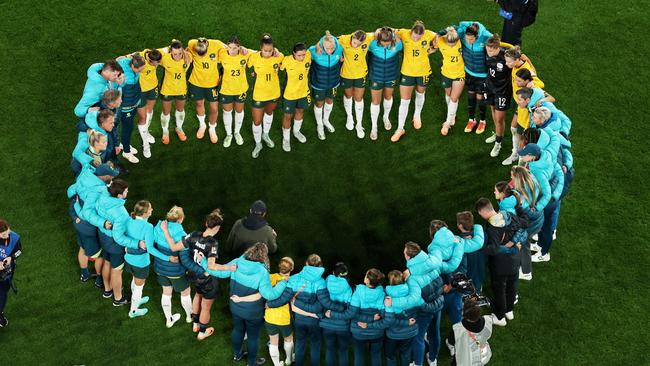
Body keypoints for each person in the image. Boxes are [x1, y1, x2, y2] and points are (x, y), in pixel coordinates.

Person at [209, 243, 288, 366]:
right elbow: (269, 295)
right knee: (253, 337)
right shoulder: (262, 271)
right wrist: (282, 283)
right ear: (263, 256)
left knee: (238, 330)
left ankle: (237, 355)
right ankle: (251, 363)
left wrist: (203, 262)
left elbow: (220, 272)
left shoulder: (237, 262)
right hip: (253, 312)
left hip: (235, 308)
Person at [179, 209, 236, 340]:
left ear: (206, 223)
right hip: (206, 279)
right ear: (217, 228)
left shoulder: (194, 235)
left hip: (194, 274)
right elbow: (212, 266)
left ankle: (195, 324)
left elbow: (182, 248)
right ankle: (202, 331)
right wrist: (229, 267)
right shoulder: (213, 243)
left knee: (197, 295)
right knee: (205, 306)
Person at [266, 254, 327, 366]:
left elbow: (284, 299)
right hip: (315, 321)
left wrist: (270, 304)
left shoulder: (293, 279)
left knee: (299, 343)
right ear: (320, 266)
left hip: (299, 320)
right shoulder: (322, 282)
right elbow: (320, 306)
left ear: (306, 264)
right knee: (315, 345)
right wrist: (313, 312)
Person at [94, 179, 144, 306]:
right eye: (125, 190)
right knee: (117, 271)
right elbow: (119, 238)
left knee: (107, 262)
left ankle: (107, 290)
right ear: (119, 195)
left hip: (103, 236)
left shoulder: (103, 197)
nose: (127, 191)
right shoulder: (120, 213)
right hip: (114, 244)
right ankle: (118, 298)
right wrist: (136, 243)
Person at [475, 198, 524, 326]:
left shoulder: (492, 228)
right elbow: (523, 226)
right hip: (515, 260)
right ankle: (509, 311)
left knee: (500, 289)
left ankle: (500, 317)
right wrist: (514, 244)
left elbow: (494, 249)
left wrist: (480, 247)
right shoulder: (508, 215)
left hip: (501, 264)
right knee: (512, 286)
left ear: (483, 212)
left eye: (480, 214)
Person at [67, 164, 117, 288]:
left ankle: (84, 274)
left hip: (80, 224)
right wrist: (103, 223)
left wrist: (75, 215)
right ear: (104, 176)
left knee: (83, 248)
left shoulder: (84, 176)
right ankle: (100, 280)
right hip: (89, 226)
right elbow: (89, 213)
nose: (112, 178)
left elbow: (71, 192)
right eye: (111, 175)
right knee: (99, 255)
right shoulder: (97, 191)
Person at [325, 268, 386, 366]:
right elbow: (383, 315)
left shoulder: (357, 293)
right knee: (376, 355)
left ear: (367, 280)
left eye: (366, 275)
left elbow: (350, 314)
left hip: (359, 332)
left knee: (359, 355)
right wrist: (371, 319)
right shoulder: (382, 294)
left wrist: (332, 314)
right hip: (376, 332)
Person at [390, 21, 435, 142]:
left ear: (423, 34)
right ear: (411, 31)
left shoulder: (429, 34)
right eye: (414, 36)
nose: (416, 39)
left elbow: (439, 38)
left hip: (424, 72)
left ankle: (417, 115)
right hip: (407, 72)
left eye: (419, 37)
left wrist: (434, 48)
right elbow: (393, 30)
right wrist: (395, 36)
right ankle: (400, 128)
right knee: (404, 101)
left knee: (420, 94)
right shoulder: (404, 33)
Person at [518, 143, 564, 263]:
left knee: (547, 227)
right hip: (553, 198)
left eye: (524, 155)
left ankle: (544, 253)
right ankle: (540, 244)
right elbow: (559, 172)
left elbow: (547, 193)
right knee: (545, 226)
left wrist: (537, 207)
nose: (521, 157)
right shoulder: (546, 155)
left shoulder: (538, 171)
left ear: (531, 156)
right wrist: (557, 193)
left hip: (548, 202)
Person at [121, 200, 167, 318]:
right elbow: (150, 249)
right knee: (139, 287)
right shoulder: (148, 227)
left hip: (128, 259)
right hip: (141, 263)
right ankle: (134, 311)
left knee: (135, 280)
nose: (152, 210)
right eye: (150, 209)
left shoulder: (129, 220)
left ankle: (136, 299)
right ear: (145, 213)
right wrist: (167, 257)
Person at [427, 220, 464, 365]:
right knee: (455, 322)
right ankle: (444, 348)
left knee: (438, 325)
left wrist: (448, 286)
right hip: (448, 292)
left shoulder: (433, 250)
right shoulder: (458, 244)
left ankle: (437, 353)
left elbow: (431, 274)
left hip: (445, 293)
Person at [402, 241, 443, 366]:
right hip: (438, 306)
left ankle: (418, 363)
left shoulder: (411, 278)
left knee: (418, 338)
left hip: (424, 311)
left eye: (404, 253)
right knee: (435, 332)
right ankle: (432, 359)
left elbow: (415, 300)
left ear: (409, 256)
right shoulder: (433, 264)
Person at [502, 46, 544, 165]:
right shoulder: (517, 64)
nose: (506, 64)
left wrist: (532, 83)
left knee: (524, 137)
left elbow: (540, 82)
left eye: (508, 61)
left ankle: (522, 163)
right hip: (519, 103)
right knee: (513, 128)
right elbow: (512, 48)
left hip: (526, 107)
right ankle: (515, 153)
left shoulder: (525, 70)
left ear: (516, 60)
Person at [370, 270, 421, 366]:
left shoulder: (386, 298)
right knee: (405, 354)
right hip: (409, 332)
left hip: (393, 334)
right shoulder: (413, 294)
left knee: (390, 356)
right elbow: (419, 309)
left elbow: (388, 319)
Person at [152, 206, 191, 328]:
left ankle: (169, 319)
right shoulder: (182, 235)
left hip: (160, 269)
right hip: (176, 272)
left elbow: (152, 245)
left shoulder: (158, 227)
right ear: (181, 219)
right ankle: (190, 316)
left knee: (166, 292)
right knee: (185, 292)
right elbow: (185, 257)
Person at [248, 33, 284, 158]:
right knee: (257, 120)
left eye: (270, 50)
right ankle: (258, 144)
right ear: (260, 49)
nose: (268, 53)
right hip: (259, 94)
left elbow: (285, 62)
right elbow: (246, 57)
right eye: (265, 50)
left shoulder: (279, 57)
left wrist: (277, 53)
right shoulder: (254, 57)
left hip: (274, 93)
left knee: (269, 113)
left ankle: (266, 135)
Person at [456, 22, 493, 135]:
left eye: (471, 39)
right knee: (471, 96)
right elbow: (455, 28)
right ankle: (471, 119)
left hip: (482, 75)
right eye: (467, 38)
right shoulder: (463, 33)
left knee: (480, 97)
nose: (468, 41)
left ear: (476, 37)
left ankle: (482, 121)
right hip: (469, 72)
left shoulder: (486, 36)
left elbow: (496, 44)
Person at [367, 27, 403, 140]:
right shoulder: (372, 44)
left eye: (387, 43)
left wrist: (394, 32)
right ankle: (374, 127)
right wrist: (375, 32)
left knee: (388, 97)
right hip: (375, 77)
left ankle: (385, 117)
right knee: (375, 102)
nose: (385, 46)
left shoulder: (398, 45)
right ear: (378, 39)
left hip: (390, 76)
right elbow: (361, 37)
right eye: (383, 43)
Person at [187, 37, 225, 143]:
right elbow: (186, 49)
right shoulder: (191, 43)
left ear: (207, 47)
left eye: (202, 53)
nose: (200, 54)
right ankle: (202, 125)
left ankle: (212, 128)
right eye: (198, 53)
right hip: (196, 82)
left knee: (214, 108)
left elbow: (229, 48)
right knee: (199, 104)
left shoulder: (216, 44)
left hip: (212, 83)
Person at [339, 30, 375, 137]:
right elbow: (329, 41)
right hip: (346, 74)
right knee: (348, 96)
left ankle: (359, 124)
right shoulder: (343, 39)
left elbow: (379, 32)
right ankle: (350, 117)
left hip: (360, 74)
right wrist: (338, 55)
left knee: (358, 98)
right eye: (354, 43)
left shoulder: (368, 38)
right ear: (352, 37)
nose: (356, 46)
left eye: (359, 45)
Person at [309, 31, 344, 140]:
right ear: (322, 45)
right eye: (327, 48)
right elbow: (299, 55)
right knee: (319, 104)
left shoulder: (340, 48)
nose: (329, 51)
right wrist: (317, 46)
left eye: (331, 48)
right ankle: (320, 125)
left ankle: (326, 120)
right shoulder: (313, 51)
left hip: (333, 82)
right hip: (319, 84)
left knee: (329, 101)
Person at [318, 262, 353, 366]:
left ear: (333, 272)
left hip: (327, 324)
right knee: (343, 351)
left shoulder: (327, 281)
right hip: (343, 325)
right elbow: (350, 308)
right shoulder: (350, 287)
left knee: (330, 349)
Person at [219, 36, 251, 148]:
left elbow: (259, 53)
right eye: (230, 47)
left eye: (234, 48)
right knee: (227, 112)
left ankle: (237, 132)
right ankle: (229, 135)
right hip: (226, 89)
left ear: (239, 47)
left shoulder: (245, 53)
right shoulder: (222, 53)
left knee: (239, 111)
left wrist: (275, 50)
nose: (231, 50)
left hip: (241, 89)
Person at [484, 35, 513, 158]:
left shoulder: (506, 57)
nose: (488, 52)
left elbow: (519, 59)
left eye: (491, 50)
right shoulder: (488, 52)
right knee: (492, 110)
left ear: (498, 48)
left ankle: (498, 143)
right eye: (487, 49)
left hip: (503, 91)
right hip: (490, 87)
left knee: (499, 118)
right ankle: (497, 134)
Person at [433, 27, 465, 136]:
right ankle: (452, 114)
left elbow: (457, 26)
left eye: (454, 43)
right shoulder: (441, 41)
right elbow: (435, 40)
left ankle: (447, 122)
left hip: (459, 74)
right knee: (448, 95)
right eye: (450, 43)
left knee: (454, 98)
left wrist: (448, 30)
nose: (452, 45)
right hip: (446, 73)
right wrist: (439, 34)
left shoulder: (460, 41)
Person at [263, 257, 295, 366]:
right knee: (289, 339)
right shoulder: (292, 282)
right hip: (284, 318)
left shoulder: (270, 277)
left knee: (273, 342)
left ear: (279, 267)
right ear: (292, 268)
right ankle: (289, 360)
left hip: (269, 317)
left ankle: (277, 364)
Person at [159, 39, 192, 145]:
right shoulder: (165, 59)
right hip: (167, 89)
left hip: (181, 89)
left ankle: (179, 128)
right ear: (170, 52)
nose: (177, 56)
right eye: (174, 54)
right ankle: (165, 131)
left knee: (180, 110)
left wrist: (185, 53)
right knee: (166, 112)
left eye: (179, 53)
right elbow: (151, 55)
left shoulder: (188, 57)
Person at [280, 42, 312, 152]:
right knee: (288, 116)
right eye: (299, 55)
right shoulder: (287, 61)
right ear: (293, 53)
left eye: (303, 54)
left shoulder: (308, 56)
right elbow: (275, 64)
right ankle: (286, 139)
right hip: (289, 94)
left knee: (300, 112)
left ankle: (296, 131)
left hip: (303, 93)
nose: (302, 57)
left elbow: (318, 46)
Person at [116, 53, 146, 163]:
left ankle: (124, 144)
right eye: (139, 70)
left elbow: (123, 57)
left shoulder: (132, 60)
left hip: (134, 101)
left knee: (128, 126)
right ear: (133, 66)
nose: (141, 72)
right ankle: (126, 152)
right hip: (126, 105)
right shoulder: (121, 70)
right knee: (127, 128)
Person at [447, 298, 493, 366]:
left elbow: (451, 341)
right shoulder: (488, 320)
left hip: (464, 359)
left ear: (463, 313)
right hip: (482, 355)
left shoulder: (457, 329)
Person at [135, 48, 162, 158]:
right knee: (143, 117)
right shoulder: (139, 58)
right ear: (149, 60)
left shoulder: (155, 53)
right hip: (140, 90)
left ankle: (146, 132)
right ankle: (145, 144)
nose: (157, 65)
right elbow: (124, 59)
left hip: (153, 87)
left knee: (150, 110)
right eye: (156, 63)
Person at [456, 211, 486, 293]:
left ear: (460, 226)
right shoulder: (483, 236)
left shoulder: (458, 244)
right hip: (480, 273)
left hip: (468, 276)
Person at [0, 219, 22, 328]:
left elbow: (19, 251)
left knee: (3, 292)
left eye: (8, 231)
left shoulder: (14, 237)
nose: (7, 235)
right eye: (4, 234)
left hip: (6, 272)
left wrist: (11, 257)